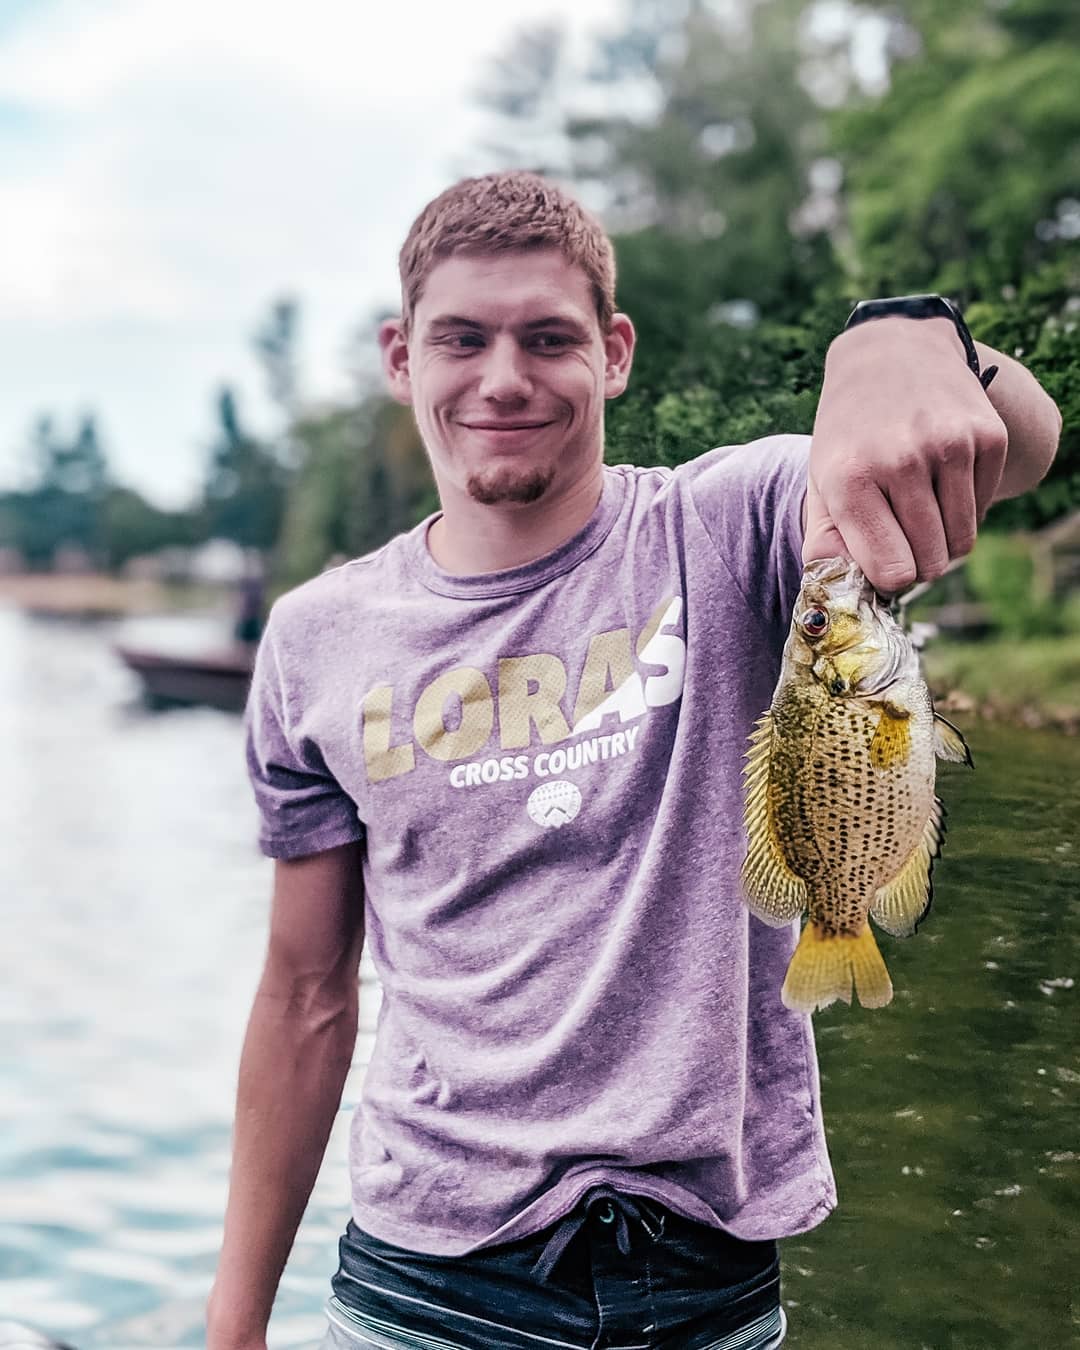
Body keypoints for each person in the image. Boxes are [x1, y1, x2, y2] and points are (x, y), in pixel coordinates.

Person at [206, 172, 1061, 1350]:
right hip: (426, 1289)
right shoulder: (314, 641)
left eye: (548, 338)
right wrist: (233, 1321)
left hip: (706, 1285)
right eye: (464, 338)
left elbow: (1020, 446)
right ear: (402, 357)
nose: (504, 376)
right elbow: (304, 999)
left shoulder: (727, 524)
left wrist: (907, 336)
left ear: (613, 353)